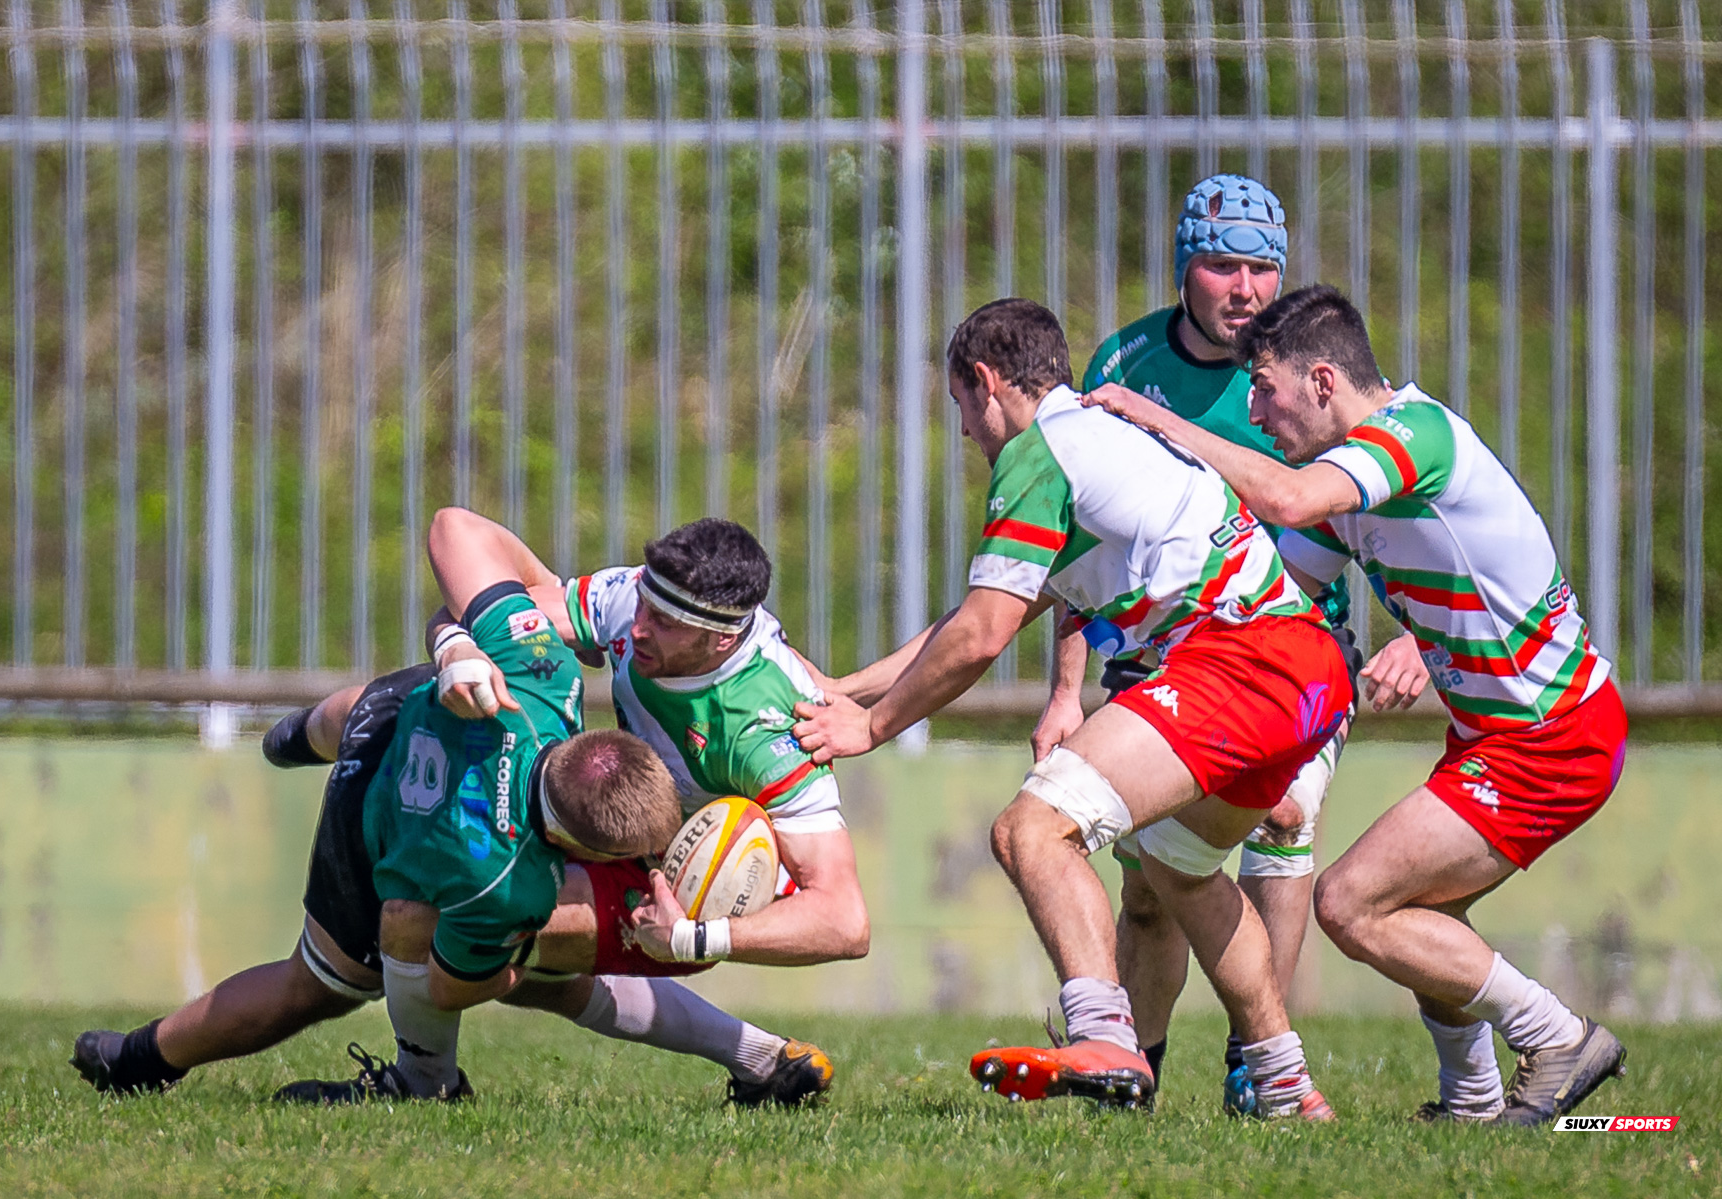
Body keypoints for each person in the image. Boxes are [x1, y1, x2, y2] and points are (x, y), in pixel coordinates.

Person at [1084, 284, 1629, 1126]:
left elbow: (1292, 503)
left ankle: (1558, 1036)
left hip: (1553, 735)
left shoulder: (1412, 435)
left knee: (1352, 902)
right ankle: (1476, 1101)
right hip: (1495, 735)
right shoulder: (1348, 485)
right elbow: (1284, 598)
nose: (1255, 411)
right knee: (1422, 910)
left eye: (1264, 387)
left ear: (1324, 381)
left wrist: (1166, 428)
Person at [795, 297, 1349, 1119]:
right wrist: (846, 690)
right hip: (1306, 672)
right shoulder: (1107, 439)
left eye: (959, 408)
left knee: (1030, 829)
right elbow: (974, 618)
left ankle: (1105, 1037)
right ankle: (1287, 1084)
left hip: (1234, 660)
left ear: (985, 382)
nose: (965, 433)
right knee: (1182, 867)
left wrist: (873, 728)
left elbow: (982, 637)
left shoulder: (1039, 452)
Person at [263, 511, 867, 1106]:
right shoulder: (638, 599)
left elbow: (845, 921)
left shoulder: (772, 731)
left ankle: (422, 1086)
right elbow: (462, 544)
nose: (640, 629)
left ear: (723, 638)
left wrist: (691, 936)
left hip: (694, 891)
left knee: (475, 923)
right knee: (518, 960)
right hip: (629, 831)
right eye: (644, 607)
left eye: (665, 622)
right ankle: (766, 1062)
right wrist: (456, 645)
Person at [71, 570, 687, 1104]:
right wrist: (516, 966)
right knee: (314, 986)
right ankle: (137, 1058)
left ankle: (287, 740)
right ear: (586, 849)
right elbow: (447, 989)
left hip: (385, 723)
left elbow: (455, 577)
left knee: (363, 709)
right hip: (370, 841)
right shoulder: (505, 885)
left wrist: (453, 647)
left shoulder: (545, 681)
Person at [1073, 173, 1363, 1103]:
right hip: (1159, 655)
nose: (1244, 287)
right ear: (1182, 268)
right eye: (1222, 264)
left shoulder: (1306, 368)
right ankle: (1137, 1071)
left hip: (1294, 651)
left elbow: (1378, 507)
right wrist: (1058, 690)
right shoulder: (1123, 364)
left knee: (1283, 826)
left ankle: (1257, 1067)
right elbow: (1083, 537)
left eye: (1261, 267)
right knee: (1154, 879)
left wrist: (1409, 633)